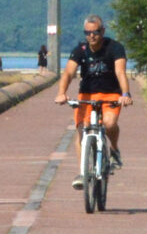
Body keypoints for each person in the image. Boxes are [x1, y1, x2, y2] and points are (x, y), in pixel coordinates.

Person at [57, 14, 132, 186]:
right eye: (88, 32)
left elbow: (120, 72)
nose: (92, 36)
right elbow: (69, 72)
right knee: (82, 130)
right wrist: (61, 92)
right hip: (87, 95)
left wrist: (125, 94)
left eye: (96, 32)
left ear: (103, 31)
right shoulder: (80, 50)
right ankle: (83, 172)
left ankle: (113, 149)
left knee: (109, 123)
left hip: (111, 94)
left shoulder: (115, 48)